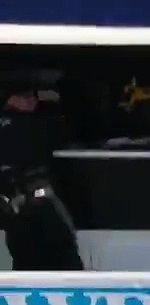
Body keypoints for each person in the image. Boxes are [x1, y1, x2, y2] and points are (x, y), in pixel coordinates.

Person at [0, 84, 82, 270]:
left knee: (25, 258)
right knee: (63, 251)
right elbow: (63, 134)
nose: (33, 101)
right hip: (36, 199)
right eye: (27, 96)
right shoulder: (37, 124)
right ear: (12, 99)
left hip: (12, 205)